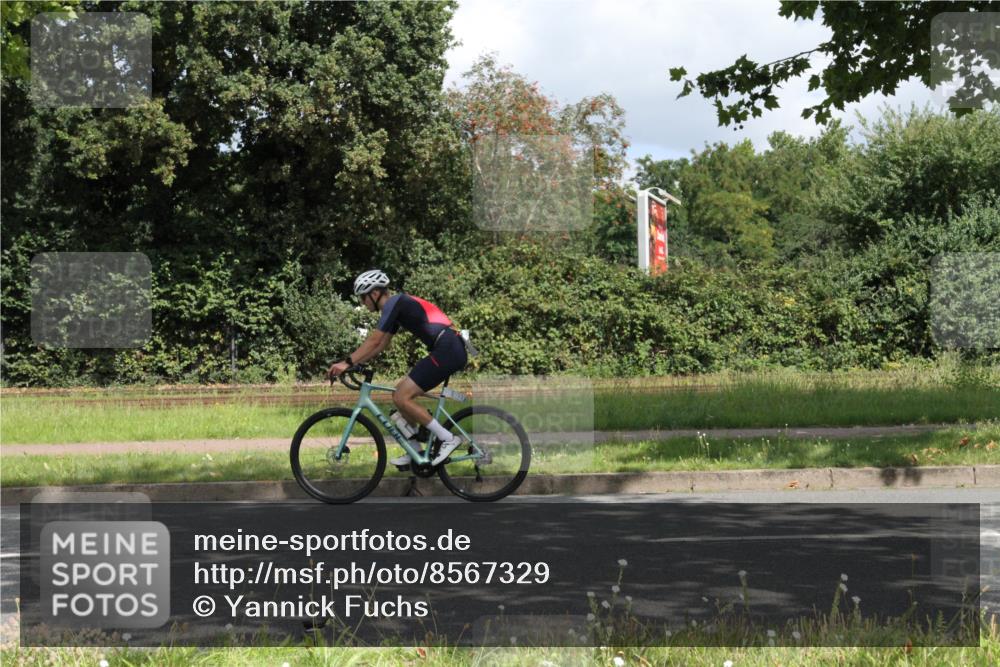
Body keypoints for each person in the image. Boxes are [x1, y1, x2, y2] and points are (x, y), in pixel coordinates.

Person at [327, 269, 468, 467]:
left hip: (448, 349)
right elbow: (382, 344)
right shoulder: (396, 308)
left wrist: (347, 362)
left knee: (401, 396)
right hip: (448, 348)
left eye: (362, 298)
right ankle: (414, 452)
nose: (362, 303)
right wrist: (356, 364)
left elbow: (375, 339)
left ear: (374, 294)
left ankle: (447, 438)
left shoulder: (394, 303)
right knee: (400, 396)